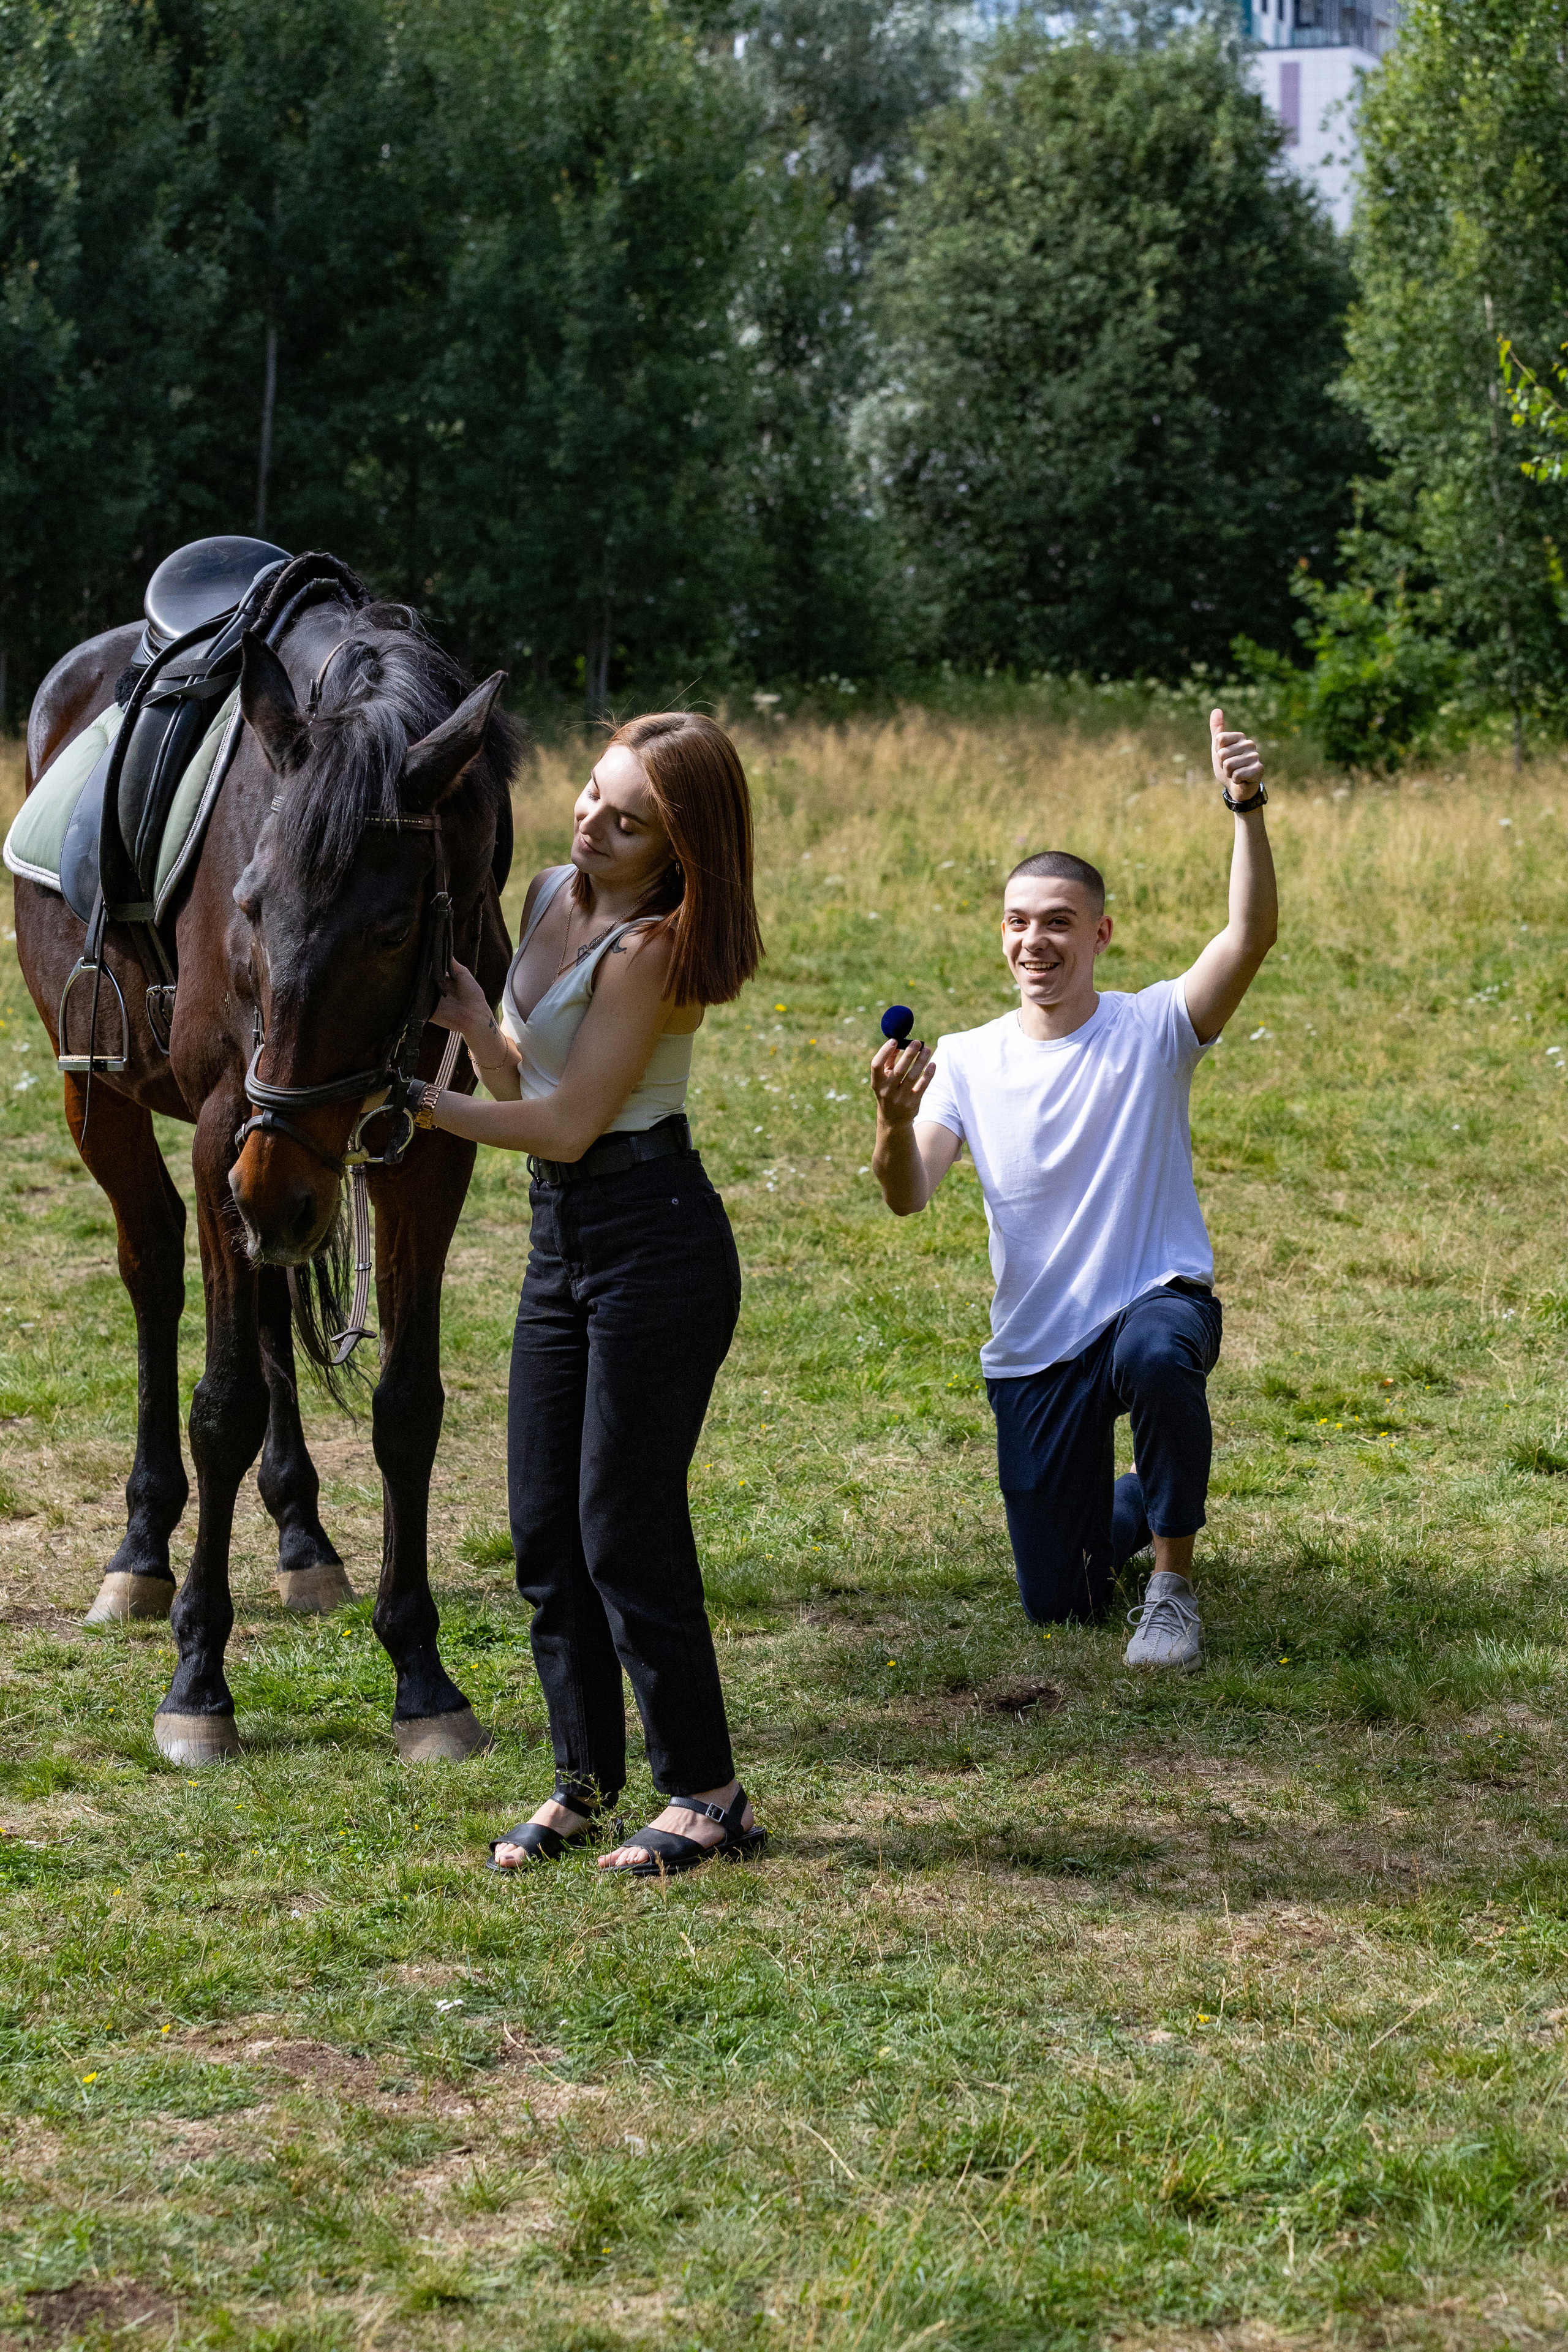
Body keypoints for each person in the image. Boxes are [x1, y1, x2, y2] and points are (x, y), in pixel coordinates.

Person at [413, 711, 766, 1872]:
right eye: (592, 796)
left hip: (654, 1239)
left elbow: (565, 1127)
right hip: (562, 1240)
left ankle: (708, 1794)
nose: (594, 823)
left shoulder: (660, 945)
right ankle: (581, 1781)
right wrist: (474, 1026)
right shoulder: (550, 893)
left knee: (625, 1522)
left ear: (683, 843)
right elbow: (536, 1076)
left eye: (630, 818)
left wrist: (420, 1110)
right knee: (543, 1527)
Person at [868, 709, 1276, 1670]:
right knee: (1062, 1602)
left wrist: (1245, 808)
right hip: (1038, 1349)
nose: (1036, 942)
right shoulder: (965, 1060)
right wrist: (890, 1123)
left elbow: (1250, 935)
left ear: (1100, 933)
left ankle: (1173, 1589)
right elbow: (907, 1194)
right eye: (1019, 923)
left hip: (1151, 1302)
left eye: (1058, 923)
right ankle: (1132, 1498)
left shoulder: (1155, 1027)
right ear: (1001, 936)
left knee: (1163, 1351)